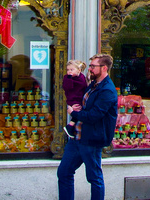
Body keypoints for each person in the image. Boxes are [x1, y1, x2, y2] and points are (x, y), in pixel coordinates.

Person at [57, 54, 119, 200]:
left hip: (92, 139)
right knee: (64, 172)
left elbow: (94, 115)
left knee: (94, 178)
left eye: (93, 66)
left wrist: (74, 113)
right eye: (90, 66)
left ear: (104, 68)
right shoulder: (92, 85)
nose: (89, 69)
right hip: (77, 137)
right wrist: (76, 106)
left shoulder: (107, 90)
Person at [62, 59, 89, 139]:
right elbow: (67, 87)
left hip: (80, 98)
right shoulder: (67, 78)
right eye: (68, 70)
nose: (69, 71)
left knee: (79, 112)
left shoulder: (82, 78)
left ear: (79, 70)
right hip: (73, 99)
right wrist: (69, 77)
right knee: (77, 111)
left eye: (71, 70)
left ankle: (72, 127)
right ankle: (70, 126)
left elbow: (84, 86)